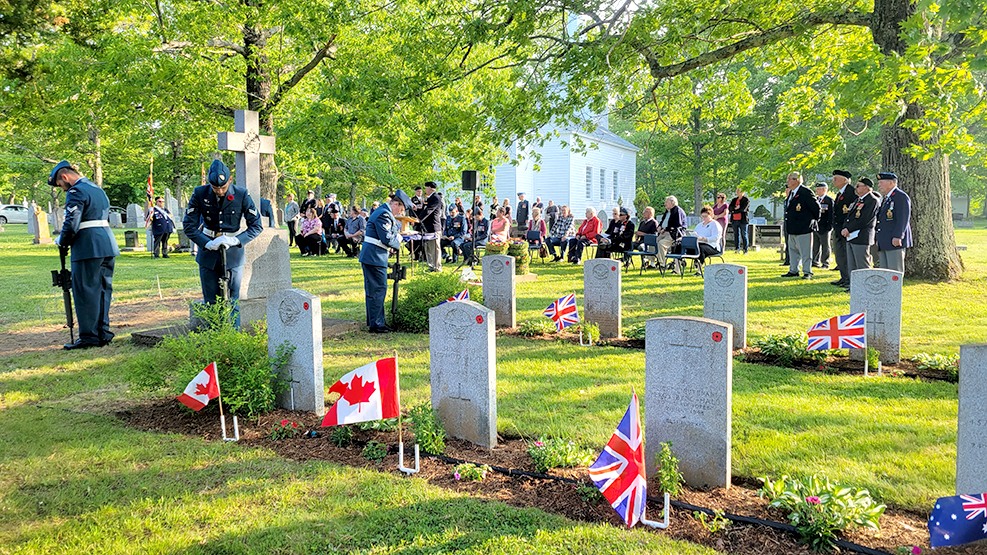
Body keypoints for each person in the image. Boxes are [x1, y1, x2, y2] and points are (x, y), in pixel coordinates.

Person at [182, 159, 262, 328]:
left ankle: (233, 336)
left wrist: (236, 240)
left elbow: (256, 225)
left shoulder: (241, 194)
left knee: (233, 300)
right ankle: (214, 339)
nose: (219, 191)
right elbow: (189, 225)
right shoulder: (199, 193)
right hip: (208, 252)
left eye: (223, 187)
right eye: (215, 187)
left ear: (230, 180)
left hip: (233, 252)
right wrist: (205, 243)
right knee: (210, 300)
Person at [49, 160, 119, 350]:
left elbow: (72, 221)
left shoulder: (76, 191)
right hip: (106, 244)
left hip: (88, 246)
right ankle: (103, 332)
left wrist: (62, 241)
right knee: (104, 290)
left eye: (60, 184)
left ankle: (89, 336)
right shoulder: (97, 189)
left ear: (64, 177)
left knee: (86, 291)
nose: (62, 189)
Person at [359, 190, 413, 334]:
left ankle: (375, 321)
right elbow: (387, 238)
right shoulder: (384, 214)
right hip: (375, 257)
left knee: (373, 290)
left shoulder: (383, 212)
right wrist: (400, 239)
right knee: (378, 290)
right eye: (400, 209)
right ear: (396, 204)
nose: (399, 213)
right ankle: (377, 324)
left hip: (374, 255)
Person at [841, 177, 880, 288]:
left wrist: (849, 229)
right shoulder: (858, 200)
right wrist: (845, 227)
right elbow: (850, 216)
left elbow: (865, 219)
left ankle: (866, 287)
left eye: (858, 186)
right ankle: (855, 287)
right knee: (852, 264)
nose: (856, 188)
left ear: (867, 188)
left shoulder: (872, 200)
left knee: (862, 264)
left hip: (862, 236)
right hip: (851, 236)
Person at [781, 172, 821, 279]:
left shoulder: (805, 192)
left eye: (790, 179)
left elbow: (816, 208)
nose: (788, 181)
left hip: (804, 227)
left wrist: (812, 220)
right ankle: (793, 270)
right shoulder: (792, 193)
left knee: (805, 252)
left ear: (797, 180)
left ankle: (807, 271)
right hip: (792, 227)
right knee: (793, 250)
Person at [875, 171, 912, 273]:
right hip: (884, 240)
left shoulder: (900, 197)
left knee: (894, 270)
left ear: (891, 183)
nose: (879, 185)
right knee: (885, 271)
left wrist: (898, 236)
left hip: (894, 240)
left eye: (881, 183)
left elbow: (903, 218)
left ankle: (895, 289)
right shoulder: (886, 198)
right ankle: (887, 289)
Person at [668, 205, 722, 274]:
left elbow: (716, 237)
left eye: (706, 216)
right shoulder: (699, 225)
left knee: (700, 248)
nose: (704, 218)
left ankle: (699, 270)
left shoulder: (715, 224)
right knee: (678, 245)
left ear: (711, 215)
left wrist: (704, 239)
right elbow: (694, 234)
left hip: (711, 246)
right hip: (697, 243)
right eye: (702, 216)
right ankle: (677, 268)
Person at [830, 170, 856, 288]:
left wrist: (847, 227)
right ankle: (844, 277)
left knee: (847, 255)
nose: (833, 180)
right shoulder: (840, 193)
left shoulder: (851, 192)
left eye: (836, 178)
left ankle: (849, 279)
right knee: (840, 254)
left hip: (847, 229)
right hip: (838, 228)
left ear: (844, 180)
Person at [655, 196, 688, 267]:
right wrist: (659, 227)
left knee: (661, 243)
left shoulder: (677, 211)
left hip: (674, 234)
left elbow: (677, 225)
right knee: (656, 241)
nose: (665, 204)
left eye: (666, 202)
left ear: (672, 203)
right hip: (664, 232)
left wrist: (666, 229)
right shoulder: (668, 211)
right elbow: (663, 221)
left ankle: (662, 263)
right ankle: (658, 261)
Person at [420, 181, 444, 271]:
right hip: (427, 227)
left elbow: (429, 211)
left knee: (435, 248)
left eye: (426, 187)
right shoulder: (429, 198)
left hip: (434, 227)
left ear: (430, 188)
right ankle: (431, 265)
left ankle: (437, 267)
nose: (425, 189)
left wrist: (419, 219)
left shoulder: (436, 198)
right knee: (429, 248)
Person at [812, 182, 834, 269]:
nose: (817, 191)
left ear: (824, 190)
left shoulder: (829, 200)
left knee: (825, 246)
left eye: (819, 189)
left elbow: (831, 214)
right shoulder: (815, 199)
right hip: (816, 226)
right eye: (816, 189)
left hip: (825, 227)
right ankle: (815, 261)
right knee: (815, 245)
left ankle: (825, 262)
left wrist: (829, 226)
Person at [728, 188, 750, 254]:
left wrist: (734, 210)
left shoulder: (746, 200)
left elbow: (743, 209)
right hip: (734, 220)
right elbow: (730, 208)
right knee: (736, 234)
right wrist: (735, 209)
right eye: (737, 191)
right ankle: (737, 248)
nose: (738, 192)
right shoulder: (734, 200)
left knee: (744, 234)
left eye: (739, 191)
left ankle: (745, 249)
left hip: (742, 220)